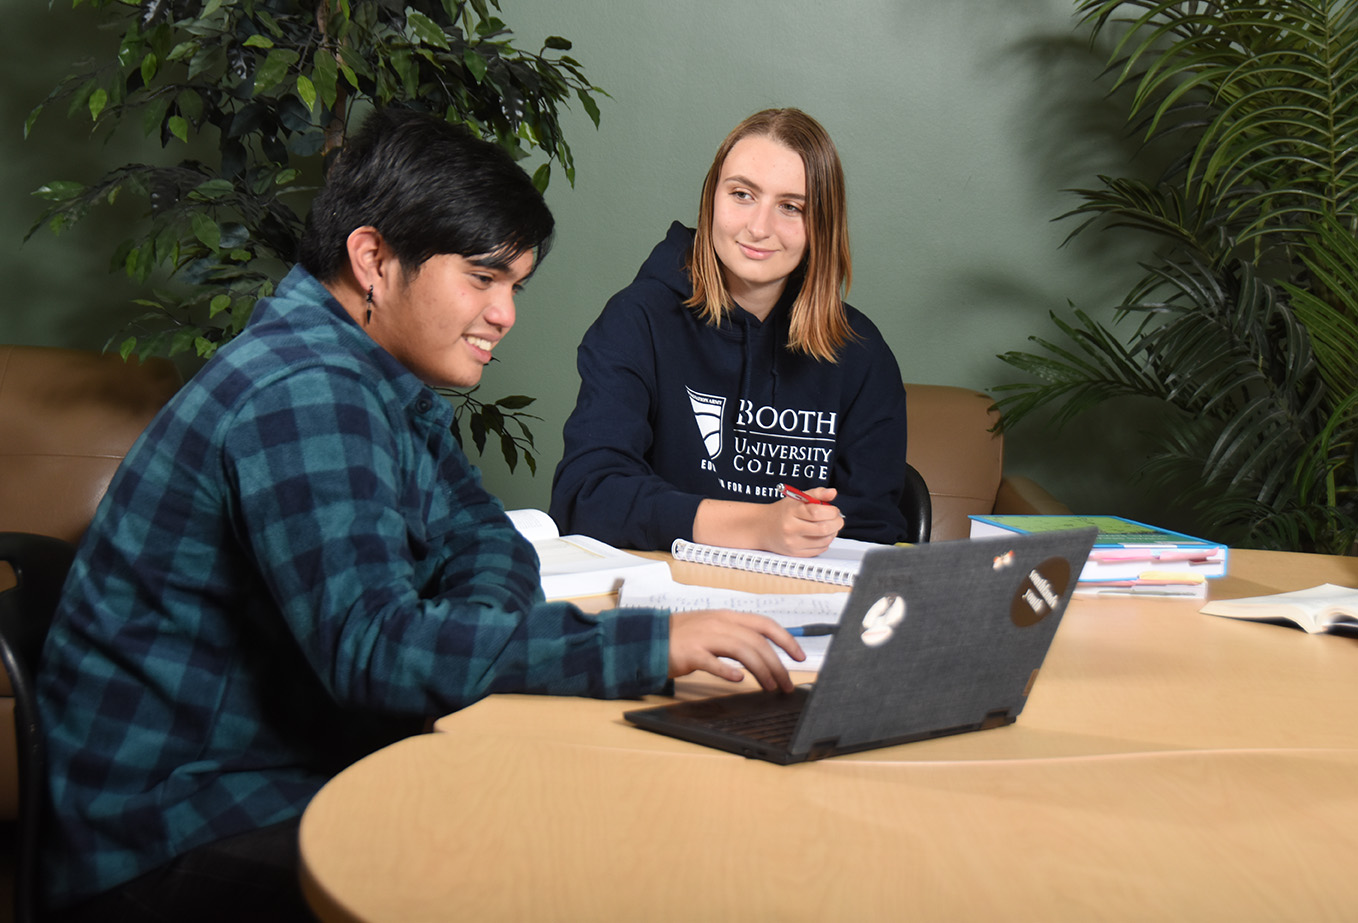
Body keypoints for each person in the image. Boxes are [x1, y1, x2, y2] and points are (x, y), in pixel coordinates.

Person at [37, 107, 802, 923]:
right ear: (373, 259)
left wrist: (454, 644)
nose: (505, 314)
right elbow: (374, 651)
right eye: (482, 278)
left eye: (515, 285)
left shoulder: (368, 374)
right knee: (539, 873)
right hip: (174, 830)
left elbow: (484, 538)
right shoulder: (305, 391)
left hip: (272, 767)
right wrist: (655, 642)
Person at [549, 108, 910, 556]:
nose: (759, 228)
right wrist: (757, 525)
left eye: (791, 207)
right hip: (668, 593)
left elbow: (874, 525)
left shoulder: (861, 352)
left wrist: (813, 526)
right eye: (742, 194)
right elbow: (587, 494)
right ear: (711, 199)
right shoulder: (637, 320)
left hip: (802, 602)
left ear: (821, 225)